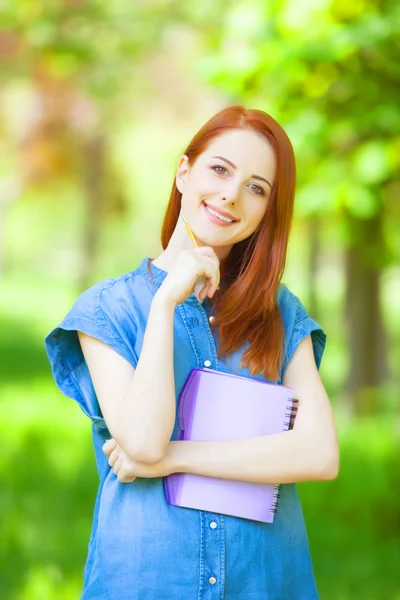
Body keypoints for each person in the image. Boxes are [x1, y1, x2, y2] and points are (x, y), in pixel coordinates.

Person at [45, 105, 339, 600]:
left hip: (264, 581)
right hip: (147, 581)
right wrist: (165, 302)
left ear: (268, 209)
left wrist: (174, 459)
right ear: (184, 172)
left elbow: (319, 453)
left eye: (257, 187)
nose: (231, 194)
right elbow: (140, 442)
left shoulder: (280, 314)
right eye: (220, 169)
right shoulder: (108, 309)